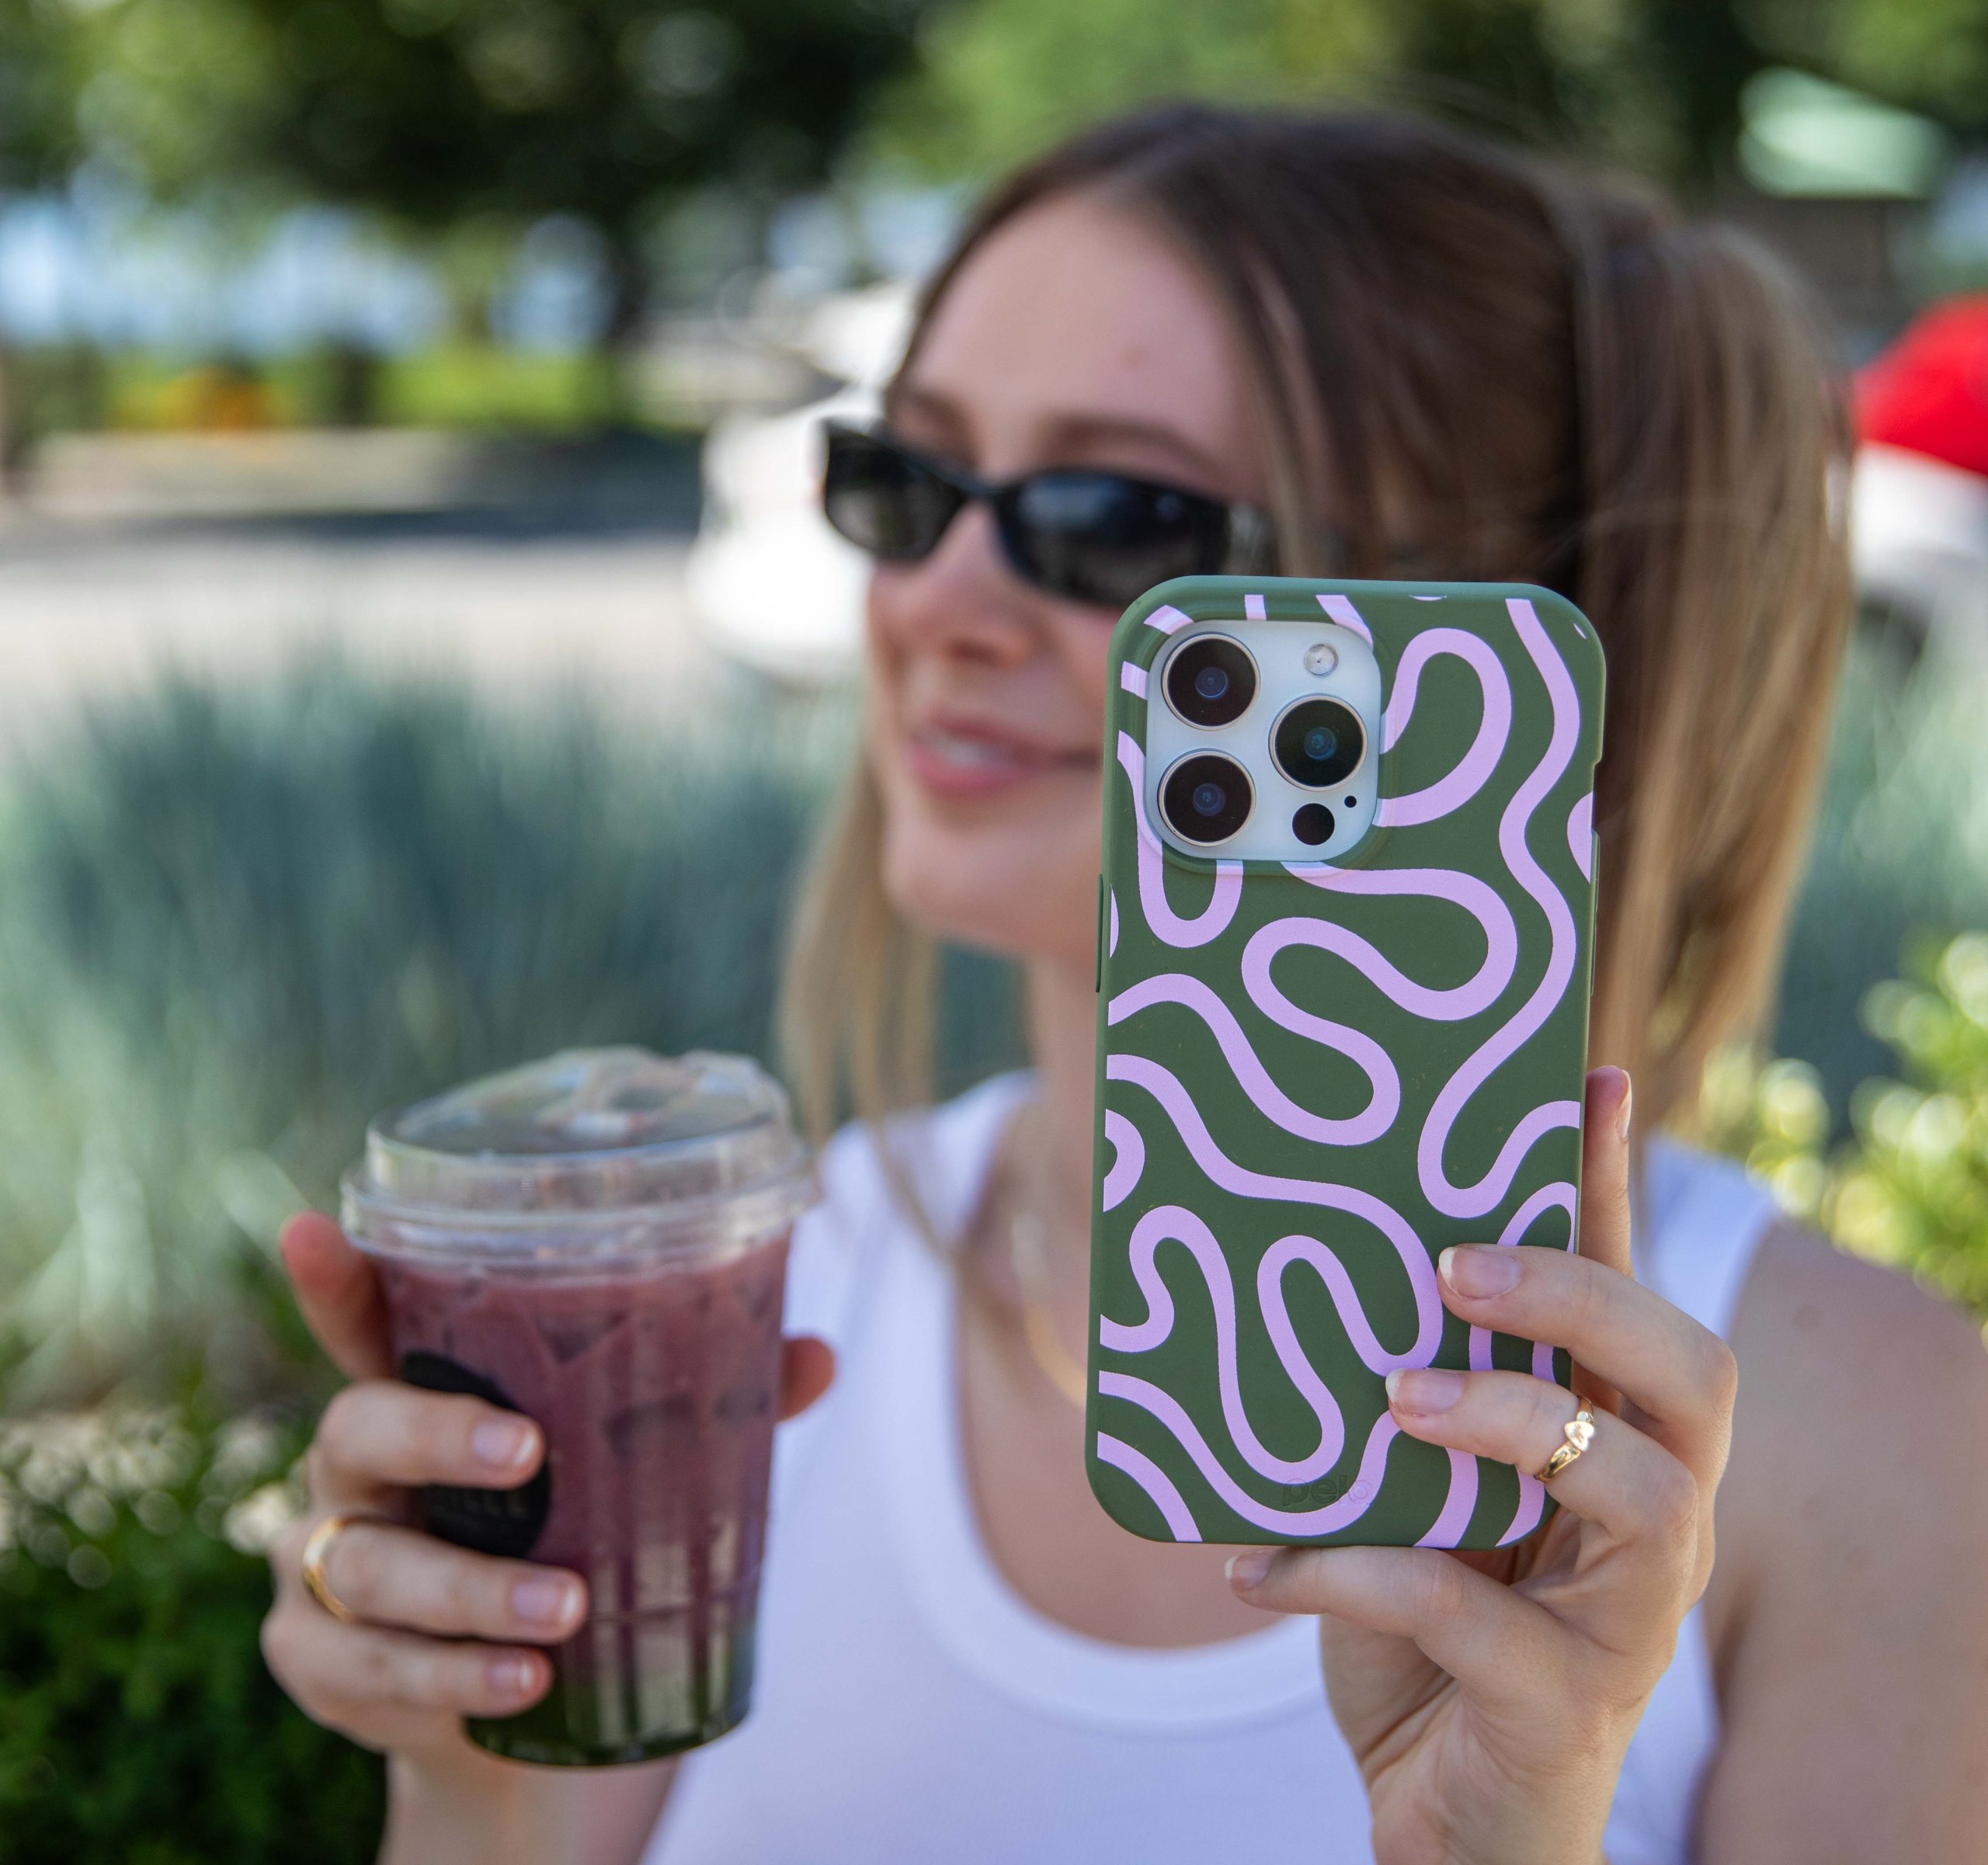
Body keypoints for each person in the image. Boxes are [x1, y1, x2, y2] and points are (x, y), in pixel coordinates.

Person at [262, 105, 1988, 1864]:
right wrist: (475, 1783)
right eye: (908, 482)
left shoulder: (1875, 1439)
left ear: (1460, 653)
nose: (938, 595)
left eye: (1109, 519)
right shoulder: (758, 1305)